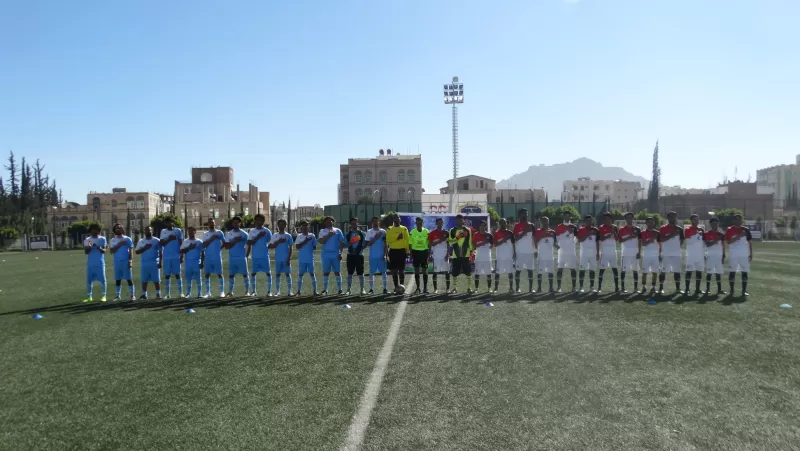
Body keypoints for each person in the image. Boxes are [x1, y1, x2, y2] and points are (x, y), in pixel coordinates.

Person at [725, 214, 752, 296]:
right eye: (737, 219)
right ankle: (732, 290)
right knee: (732, 272)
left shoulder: (746, 230)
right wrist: (739, 236)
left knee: (744, 272)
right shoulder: (729, 229)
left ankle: (744, 290)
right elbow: (728, 242)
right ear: (733, 220)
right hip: (734, 254)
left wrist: (751, 253)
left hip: (744, 254)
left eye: (740, 219)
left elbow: (750, 243)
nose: (739, 221)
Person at [247, 213, 273, 297]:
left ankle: (269, 291)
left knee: (268, 273)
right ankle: (254, 291)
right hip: (255, 256)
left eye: (261, 220)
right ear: (255, 221)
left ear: (263, 221)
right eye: (257, 220)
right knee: (253, 273)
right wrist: (258, 236)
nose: (259, 221)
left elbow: (270, 242)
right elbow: (250, 242)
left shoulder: (267, 231)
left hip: (265, 255)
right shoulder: (252, 231)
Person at [318, 216, 346, 295]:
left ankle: (340, 290)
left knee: (337, 272)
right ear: (325, 222)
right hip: (325, 255)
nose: (329, 223)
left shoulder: (338, 230)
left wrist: (340, 253)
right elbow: (321, 241)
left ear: (333, 222)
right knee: (326, 272)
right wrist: (329, 235)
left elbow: (341, 243)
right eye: (327, 221)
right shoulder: (322, 231)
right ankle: (325, 290)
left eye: (330, 221)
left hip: (336, 255)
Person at [659, 211, 685, 294]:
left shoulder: (680, 229)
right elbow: (661, 239)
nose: (673, 218)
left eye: (674, 217)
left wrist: (676, 248)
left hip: (676, 254)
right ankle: (661, 288)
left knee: (677, 271)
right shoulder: (663, 228)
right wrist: (671, 235)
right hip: (666, 253)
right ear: (668, 218)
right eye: (671, 217)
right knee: (663, 271)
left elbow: (682, 240)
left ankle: (677, 289)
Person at [448, 214, 474, 294]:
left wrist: (471, 253)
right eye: (458, 220)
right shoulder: (452, 230)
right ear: (456, 220)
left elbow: (470, 242)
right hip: (456, 255)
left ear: (463, 220)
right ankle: (454, 288)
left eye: (461, 220)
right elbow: (450, 242)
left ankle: (469, 288)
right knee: (455, 272)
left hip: (466, 255)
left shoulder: (468, 230)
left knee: (468, 272)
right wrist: (458, 237)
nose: (460, 221)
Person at [224, 216, 250, 296]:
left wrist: (247, 256)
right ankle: (230, 292)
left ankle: (247, 292)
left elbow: (249, 245)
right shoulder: (229, 234)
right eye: (234, 222)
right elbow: (226, 247)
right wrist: (235, 241)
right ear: (232, 223)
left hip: (242, 258)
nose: (236, 224)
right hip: (232, 258)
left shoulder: (244, 234)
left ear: (240, 223)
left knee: (245, 274)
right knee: (231, 275)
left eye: (237, 222)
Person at [159, 216, 184, 298]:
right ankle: (167, 294)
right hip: (166, 257)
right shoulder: (163, 231)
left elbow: (181, 243)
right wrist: (169, 239)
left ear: (173, 222)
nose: (169, 223)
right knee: (167, 275)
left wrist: (181, 255)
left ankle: (181, 293)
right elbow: (161, 243)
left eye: (170, 222)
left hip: (176, 256)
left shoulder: (178, 231)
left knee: (178, 274)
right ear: (165, 223)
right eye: (167, 222)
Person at [135, 226, 162, 300]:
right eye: (146, 230)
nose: (148, 231)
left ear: (152, 231)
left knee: (156, 279)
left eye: (149, 230)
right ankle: (144, 294)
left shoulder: (156, 240)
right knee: (144, 279)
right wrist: (144, 248)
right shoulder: (141, 241)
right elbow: (137, 252)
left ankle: (158, 293)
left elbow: (160, 251)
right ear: (144, 232)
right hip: (144, 263)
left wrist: (160, 262)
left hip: (154, 262)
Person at [110, 223, 135, 301]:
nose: (118, 229)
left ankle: (132, 295)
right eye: (117, 228)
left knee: (129, 279)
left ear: (122, 229)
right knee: (118, 279)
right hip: (117, 262)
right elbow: (112, 251)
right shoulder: (112, 240)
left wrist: (130, 261)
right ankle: (118, 295)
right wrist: (119, 244)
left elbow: (131, 251)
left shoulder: (127, 239)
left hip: (126, 261)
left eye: (120, 228)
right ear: (114, 230)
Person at [83, 223, 107, 302]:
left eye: (96, 229)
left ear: (99, 230)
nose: (95, 231)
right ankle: (89, 297)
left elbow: (104, 251)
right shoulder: (87, 240)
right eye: (93, 229)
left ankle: (104, 296)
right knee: (89, 281)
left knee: (103, 280)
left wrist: (99, 248)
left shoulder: (102, 239)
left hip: (100, 263)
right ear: (91, 230)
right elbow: (86, 252)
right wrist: (89, 247)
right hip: (90, 264)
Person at [618, 212, 642, 293]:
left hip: (635, 253)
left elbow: (639, 241)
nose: (629, 219)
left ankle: (635, 288)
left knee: (635, 270)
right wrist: (629, 237)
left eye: (631, 217)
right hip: (625, 253)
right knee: (623, 270)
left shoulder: (637, 229)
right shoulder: (621, 229)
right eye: (628, 218)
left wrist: (639, 252)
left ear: (632, 218)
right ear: (625, 219)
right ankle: (623, 287)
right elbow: (620, 241)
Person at [555, 211, 579, 292]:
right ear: (563, 217)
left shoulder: (574, 227)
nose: (567, 217)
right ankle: (559, 287)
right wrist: (566, 233)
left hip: (571, 252)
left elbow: (576, 240)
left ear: (570, 217)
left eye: (569, 216)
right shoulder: (559, 226)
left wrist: (572, 235)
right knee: (560, 269)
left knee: (573, 269)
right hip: (561, 252)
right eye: (566, 216)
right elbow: (557, 239)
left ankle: (574, 287)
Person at [513, 209, 535, 293]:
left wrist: (535, 250)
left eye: (526, 214)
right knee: (518, 271)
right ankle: (517, 288)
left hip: (529, 252)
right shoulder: (517, 225)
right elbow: (516, 238)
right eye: (523, 214)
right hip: (520, 252)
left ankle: (530, 288)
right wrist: (525, 231)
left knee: (530, 270)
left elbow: (534, 238)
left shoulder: (532, 225)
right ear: (520, 215)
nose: (525, 215)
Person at [385, 214, 410, 292]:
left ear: (400, 219)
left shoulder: (404, 229)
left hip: (402, 251)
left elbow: (407, 240)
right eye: (395, 218)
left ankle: (402, 286)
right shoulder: (389, 229)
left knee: (401, 271)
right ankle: (396, 287)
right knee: (394, 271)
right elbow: (388, 240)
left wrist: (407, 251)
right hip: (393, 251)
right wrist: (397, 237)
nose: (397, 219)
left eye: (398, 218)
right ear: (393, 219)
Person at [202, 218, 225, 298]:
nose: (211, 224)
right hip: (208, 257)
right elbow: (204, 245)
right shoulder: (205, 234)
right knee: (207, 274)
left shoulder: (219, 232)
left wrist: (219, 249)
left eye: (212, 222)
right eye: (209, 223)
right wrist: (211, 239)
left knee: (219, 274)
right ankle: (208, 292)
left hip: (217, 257)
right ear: (208, 224)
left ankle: (222, 292)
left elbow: (224, 243)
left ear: (215, 223)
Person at [597, 212, 620, 293]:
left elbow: (617, 239)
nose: (607, 220)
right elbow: (602, 238)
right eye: (605, 219)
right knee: (602, 269)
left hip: (613, 252)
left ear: (611, 219)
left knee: (615, 269)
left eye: (608, 219)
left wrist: (614, 232)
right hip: (604, 252)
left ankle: (617, 287)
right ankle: (599, 287)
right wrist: (610, 233)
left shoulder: (615, 227)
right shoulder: (601, 227)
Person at [365, 216, 389, 294]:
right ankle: (371, 289)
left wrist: (385, 255)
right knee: (371, 273)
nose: (375, 222)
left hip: (381, 256)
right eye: (374, 221)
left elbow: (386, 244)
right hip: (373, 256)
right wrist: (375, 238)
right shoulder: (369, 232)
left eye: (377, 221)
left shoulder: (383, 232)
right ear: (372, 222)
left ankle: (385, 289)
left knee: (383, 272)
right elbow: (368, 244)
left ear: (379, 222)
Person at [271, 219, 294, 296]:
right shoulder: (275, 235)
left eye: (282, 224)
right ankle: (277, 291)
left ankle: (290, 291)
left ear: (285, 225)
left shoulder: (288, 236)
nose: (281, 226)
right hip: (278, 259)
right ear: (278, 225)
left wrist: (289, 258)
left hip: (286, 259)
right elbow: (271, 246)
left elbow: (291, 248)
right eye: (279, 224)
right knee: (277, 275)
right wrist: (278, 242)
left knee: (288, 274)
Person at [295, 221, 319, 295]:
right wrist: (305, 241)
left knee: (312, 274)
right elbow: (297, 247)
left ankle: (315, 291)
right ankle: (299, 291)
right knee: (300, 275)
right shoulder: (299, 236)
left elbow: (315, 246)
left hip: (310, 259)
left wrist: (310, 245)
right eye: (303, 226)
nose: (305, 227)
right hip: (302, 259)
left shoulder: (312, 236)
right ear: (301, 227)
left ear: (308, 227)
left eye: (306, 226)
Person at [576, 215, 600, 293]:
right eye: (587, 221)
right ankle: (581, 287)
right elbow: (579, 240)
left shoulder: (596, 230)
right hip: (584, 253)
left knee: (592, 270)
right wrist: (588, 234)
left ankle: (592, 287)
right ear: (585, 221)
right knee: (582, 270)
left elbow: (597, 242)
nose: (589, 222)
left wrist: (597, 253)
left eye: (590, 220)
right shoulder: (581, 229)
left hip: (593, 253)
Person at [684, 214, 706, 295]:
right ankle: (687, 289)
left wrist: (704, 252)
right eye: (694, 219)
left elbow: (703, 242)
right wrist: (697, 234)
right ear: (691, 220)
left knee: (699, 272)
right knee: (689, 271)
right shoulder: (687, 229)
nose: (696, 221)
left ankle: (698, 289)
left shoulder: (701, 229)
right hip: (691, 254)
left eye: (697, 219)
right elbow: (689, 241)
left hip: (699, 254)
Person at [180, 226, 204, 298]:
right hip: (188, 263)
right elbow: (181, 251)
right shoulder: (185, 241)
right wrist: (189, 248)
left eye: (191, 231)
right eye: (189, 231)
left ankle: (200, 293)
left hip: (197, 262)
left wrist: (202, 262)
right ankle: (188, 293)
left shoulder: (199, 241)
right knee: (188, 279)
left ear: (195, 232)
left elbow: (203, 252)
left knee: (198, 279)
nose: (190, 233)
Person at [704, 217, 726, 295]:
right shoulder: (707, 233)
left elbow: (723, 245)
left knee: (718, 273)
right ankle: (707, 289)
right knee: (709, 273)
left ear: (718, 224)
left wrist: (723, 256)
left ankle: (719, 289)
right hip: (710, 256)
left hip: (719, 256)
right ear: (710, 224)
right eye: (713, 224)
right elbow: (707, 244)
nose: (715, 225)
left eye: (716, 224)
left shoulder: (721, 234)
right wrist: (716, 240)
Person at [493, 218, 516, 293]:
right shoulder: (496, 233)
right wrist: (503, 240)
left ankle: (511, 288)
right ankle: (496, 288)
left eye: (504, 222)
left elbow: (513, 243)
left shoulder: (510, 233)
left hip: (509, 256)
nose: (503, 224)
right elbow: (495, 245)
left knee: (510, 272)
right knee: (497, 273)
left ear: (507, 223)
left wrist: (514, 253)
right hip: (499, 256)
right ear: (500, 224)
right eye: (502, 223)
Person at [534, 216, 556, 293]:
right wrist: (541, 236)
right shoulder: (538, 231)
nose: (545, 223)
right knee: (540, 272)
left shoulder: (552, 232)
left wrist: (557, 246)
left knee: (551, 272)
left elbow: (554, 243)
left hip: (550, 256)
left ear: (548, 222)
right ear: (541, 222)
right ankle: (539, 288)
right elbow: (535, 242)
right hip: (542, 256)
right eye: (543, 221)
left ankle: (551, 288)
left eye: (546, 221)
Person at [428, 217, 450, 294]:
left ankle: (447, 289)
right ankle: (435, 289)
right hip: (436, 256)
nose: (440, 224)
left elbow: (448, 244)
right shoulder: (432, 233)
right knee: (435, 272)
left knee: (446, 272)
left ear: (442, 223)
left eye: (441, 223)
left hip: (444, 256)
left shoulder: (446, 233)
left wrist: (448, 254)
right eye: (438, 223)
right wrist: (440, 240)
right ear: (436, 223)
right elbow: (430, 244)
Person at [345, 217, 366, 295]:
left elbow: (364, 244)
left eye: (355, 223)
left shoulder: (362, 233)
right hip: (350, 255)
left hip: (359, 256)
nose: (354, 225)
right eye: (352, 223)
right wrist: (351, 242)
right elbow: (345, 245)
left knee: (361, 273)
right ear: (350, 224)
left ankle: (362, 289)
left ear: (358, 223)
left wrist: (359, 249)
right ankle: (348, 289)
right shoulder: (348, 234)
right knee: (350, 273)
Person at [410, 216, 431, 294]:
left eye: (421, 223)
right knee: (416, 271)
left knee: (425, 270)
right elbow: (410, 243)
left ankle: (425, 288)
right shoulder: (412, 232)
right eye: (418, 223)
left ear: (423, 223)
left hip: (424, 252)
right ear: (416, 223)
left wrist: (429, 253)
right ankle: (418, 288)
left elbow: (429, 243)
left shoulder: (427, 231)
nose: (419, 224)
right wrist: (411, 253)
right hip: (416, 253)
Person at [640, 217, 661, 293]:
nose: (650, 223)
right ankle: (643, 286)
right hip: (646, 255)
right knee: (645, 272)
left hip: (655, 256)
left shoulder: (657, 233)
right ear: (646, 223)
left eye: (652, 222)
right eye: (649, 222)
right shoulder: (643, 232)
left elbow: (660, 244)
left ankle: (653, 287)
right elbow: (643, 244)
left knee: (655, 272)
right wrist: (650, 240)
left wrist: (660, 254)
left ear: (654, 223)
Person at [472, 220, 494, 292]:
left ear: (485, 226)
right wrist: (482, 243)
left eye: (484, 225)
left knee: (488, 274)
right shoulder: (475, 234)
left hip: (487, 258)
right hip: (478, 258)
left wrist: (486, 249)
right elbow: (474, 245)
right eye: (481, 225)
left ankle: (489, 288)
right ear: (479, 226)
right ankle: (476, 288)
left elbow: (492, 245)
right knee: (477, 274)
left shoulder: (489, 235)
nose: (482, 227)